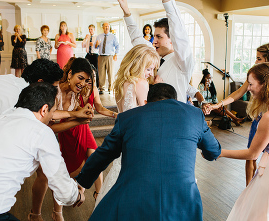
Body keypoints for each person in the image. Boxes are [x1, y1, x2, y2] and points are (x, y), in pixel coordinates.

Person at [75, 83, 221, 220]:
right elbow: (214, 151)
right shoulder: (195, 115)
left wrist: (82, 182)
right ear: (176, 101)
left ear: (146, 102)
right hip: (183, 200)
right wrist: (206, 153)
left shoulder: (127, 118)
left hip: (134, 198)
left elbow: (103, 154)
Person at [0, 83, 86, 221]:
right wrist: (77, 195)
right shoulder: (41, 131)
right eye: (52, 112)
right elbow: (62, 189)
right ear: (44, 110)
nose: (52, 118)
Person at [30, 58, 116, 221]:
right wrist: (76, 116)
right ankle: (39, 213)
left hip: (73, 131)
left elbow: (91, 107)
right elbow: (48, 125)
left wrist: (84, 113)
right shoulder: (54, 92)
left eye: (86, 80)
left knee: (88, 162)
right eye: (80, 78)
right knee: (48, 176)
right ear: (70, 74)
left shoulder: (80, 91)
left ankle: (89, 199)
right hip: (53, 133)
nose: (83, 83)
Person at [216, 63, 269, 220]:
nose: (248, 88)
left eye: (251, 83)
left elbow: (252, 153)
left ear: (265, 85)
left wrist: (220, 152)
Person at [96, 44, 159, 206]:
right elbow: (147, 115)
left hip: (125, 137)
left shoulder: (120, 84)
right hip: (140, 138)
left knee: (121, 173)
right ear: (138, 65)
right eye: (149, 69)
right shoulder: (141, 83)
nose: (151, 74)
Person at [119, 0, 200, 103]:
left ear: (172, 39)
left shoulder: (182, 62)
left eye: (159, 37)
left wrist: (167, 2)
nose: (154, 41)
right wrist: (126, 11)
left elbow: (178, 31)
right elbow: (137, 39)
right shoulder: (154, 56)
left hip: (173, 113)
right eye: (154, 36)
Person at [0, 58, 86, 123]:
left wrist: (74, 114)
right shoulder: (18, 99)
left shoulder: (12, 79)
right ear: (40, 83)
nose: (54, 92)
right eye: (53, 88)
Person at [95, 22, 119, 95]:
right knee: (101, 73)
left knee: (111, 73)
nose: (107, 27)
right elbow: (95, 47)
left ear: (109, 27)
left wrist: (116, 54)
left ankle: (110, 88)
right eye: (105, 26)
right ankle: (101, 88)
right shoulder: (99, 36)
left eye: (108, 26)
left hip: (110, 57)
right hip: (101, 56)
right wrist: (97, 44)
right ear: (103, 27)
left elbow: (117, 46)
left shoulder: (113, 36)